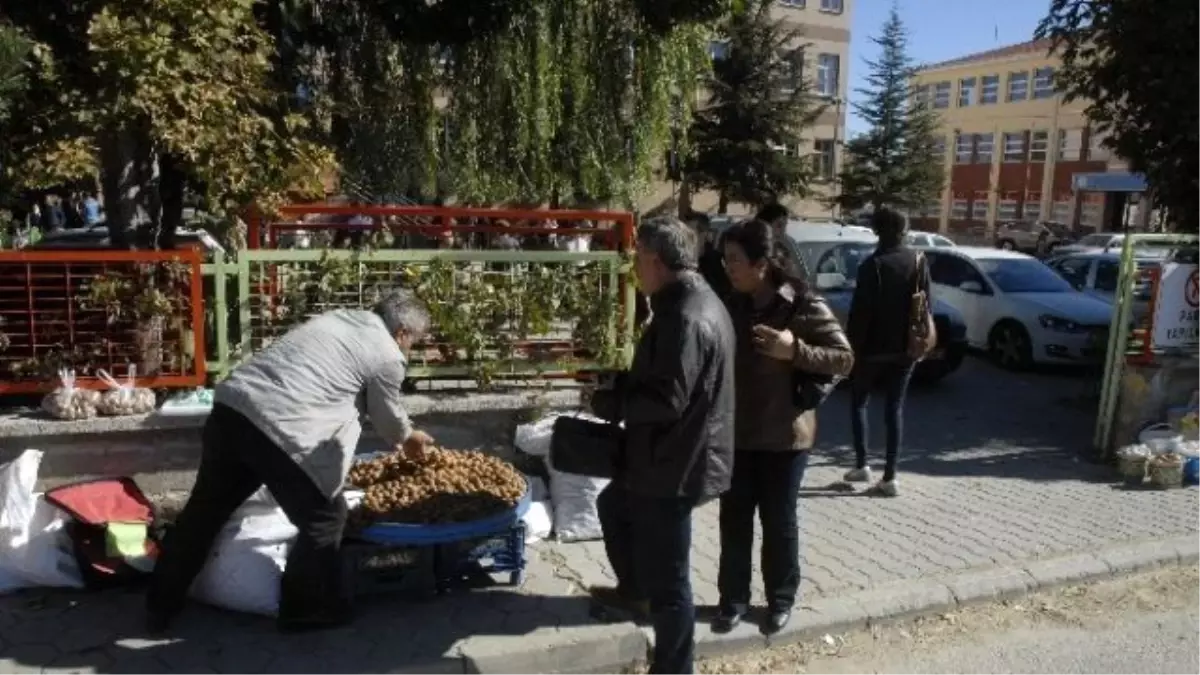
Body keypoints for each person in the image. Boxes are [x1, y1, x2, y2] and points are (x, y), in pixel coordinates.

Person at [147, 290, 437, 633]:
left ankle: (160, 604)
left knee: (205, 511)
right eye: (413, 342)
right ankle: (306, 610)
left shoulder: (339, 318)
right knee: (325, 517)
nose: (409, 349)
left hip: (233, 411)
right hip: (279, 429)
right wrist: (409, 436)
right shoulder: (387, 352)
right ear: (403, 333)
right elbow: (387, 416)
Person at [589, 218, 735, 675]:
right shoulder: (691, 302)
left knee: (672, 583)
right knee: (615, 505)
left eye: (636, 258)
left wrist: (611, 401)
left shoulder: (687, 316)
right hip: (671, 455)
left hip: (676, 464)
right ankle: (634, 590)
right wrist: (623, 383)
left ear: (655, 260)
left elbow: (667, 399)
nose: (634, 267)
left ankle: (675, 667)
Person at [713, 219, 854, 636]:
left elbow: (844, 359)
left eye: (735, 260)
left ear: (761, 263)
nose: (728, 267)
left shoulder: (802, 304)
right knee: (733, 521)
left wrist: (795, 350)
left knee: (778, 523)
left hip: (785, 438)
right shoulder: (732, 303)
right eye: (725, 259)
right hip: (738, 435)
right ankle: (733, 600)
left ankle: (780, 600)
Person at [844, 207, 928, 497]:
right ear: (904, 230)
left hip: (872, 351)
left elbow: (860, 315)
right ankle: (890, 476)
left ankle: (862, 464)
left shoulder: (872, 266)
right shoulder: (918, 260)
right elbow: (927, 303)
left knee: (859, 402)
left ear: (877, 231)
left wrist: (851, 349)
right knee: (894, 408)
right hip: (906, 348)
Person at [755, 203, 805, 278]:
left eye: (785, 226)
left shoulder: (783, 250)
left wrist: (790, 270)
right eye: (779, 226)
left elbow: (796, 277)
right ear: (765, 226)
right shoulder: (752, 251)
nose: (783, 231)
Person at [689, 212, 731, 299]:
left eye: (691, 235)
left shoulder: (719, 263)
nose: (686, 240)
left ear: (705, 234)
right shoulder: (685, 262)